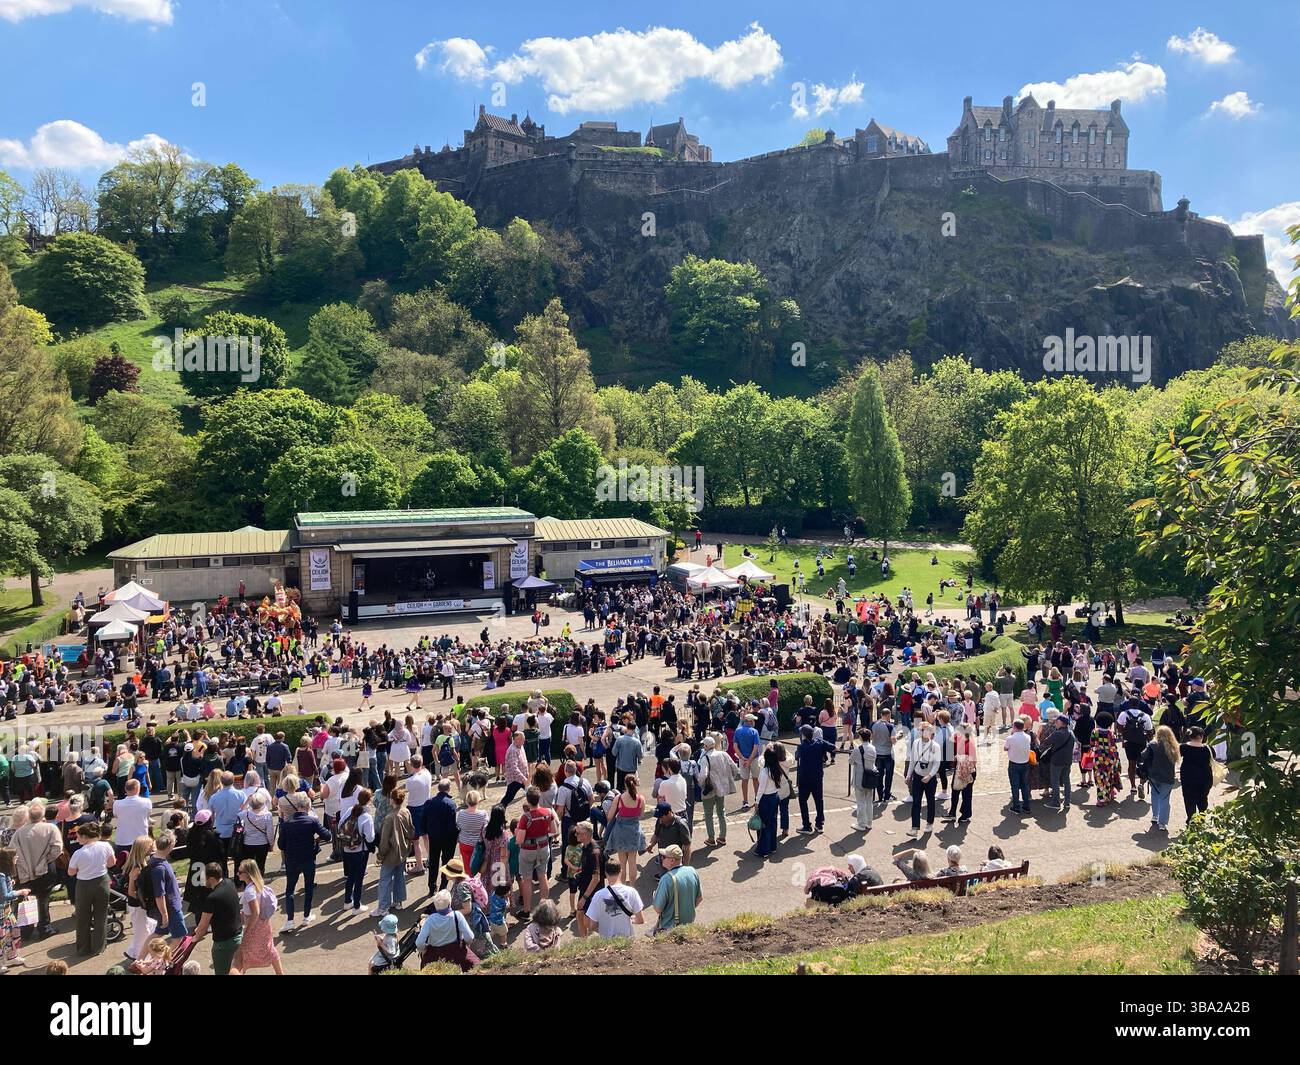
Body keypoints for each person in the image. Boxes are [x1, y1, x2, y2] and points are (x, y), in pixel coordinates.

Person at [277, 790, 331, 931]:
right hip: (308, 859)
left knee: (290, 890)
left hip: (292, 860)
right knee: (308, 888)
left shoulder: (287, 824)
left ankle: (290, 920)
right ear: (307, 807)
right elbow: (327, 836)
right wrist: (316, 839)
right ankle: (306, 916)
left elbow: (281, 845)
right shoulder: (312, 821)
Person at [13, 799, 62, 938]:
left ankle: (26, 930)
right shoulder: (50, 828)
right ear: (43, 815)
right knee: (43, 899)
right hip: (45, 870)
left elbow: (13, 852)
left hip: (25, 873)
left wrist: (23, 866)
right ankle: (44, 928)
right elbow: (57, 848)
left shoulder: (20, 832)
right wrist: (45, 860)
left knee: (26, 900)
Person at [67, 822, 115, 956]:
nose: (77, 839)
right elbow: (112, 863)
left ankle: (83, 949)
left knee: (82, 917)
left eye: (78, 837)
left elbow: (71, 873)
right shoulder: (106, 846)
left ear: (85, 837)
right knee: (101, 916)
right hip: (102, 882)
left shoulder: (78, 853)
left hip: (84, 885)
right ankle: (99, 947)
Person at [230, 859, 284, 975]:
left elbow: (255, 912)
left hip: (254, 927)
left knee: (239, 958)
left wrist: (247, 930)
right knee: (270, 949)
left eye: (240, 872)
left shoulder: (249, 891)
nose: (237, 874)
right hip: (264, 925)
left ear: (248, 874)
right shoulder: (259, 886)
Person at [514, 786, 559, 917]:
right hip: (544, 847)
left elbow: (519, 840)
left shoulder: (525, 817)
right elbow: (554, 831)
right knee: (543, 876)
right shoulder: (548, 812)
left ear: (528, 800)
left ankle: (527, 910)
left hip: (528, 850)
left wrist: (518, 833)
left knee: (527, 879)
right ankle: (544, 908)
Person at [192, 862, 243, 975]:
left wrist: (194, 938)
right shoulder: (229, 883)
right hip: (238, 937)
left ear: (210, 878)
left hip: (224, 944)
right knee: (236, 970)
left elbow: (203, 925)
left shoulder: (212, 898)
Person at [416, 889, 478, 971]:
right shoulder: (457, 915)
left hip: (435, 954)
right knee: (476, 965)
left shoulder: (430, 920)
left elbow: (419, 943)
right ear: (449, 903)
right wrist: (465, 945)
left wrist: (424, 951)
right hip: (457, 952)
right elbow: (470, 937)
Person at [375, 785, 413, 917]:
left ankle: (383, 907)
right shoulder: (406, 812)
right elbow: (411, 831)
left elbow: (384, 841)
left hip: (391, 853)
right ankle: (398, 901)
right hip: (403, 850)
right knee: (399, 876)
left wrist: (380, 855)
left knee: (385, 879)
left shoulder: (389, 818)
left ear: (392, 800)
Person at [337, 787, 376, 914]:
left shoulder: (349, 810)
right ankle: (357, 906)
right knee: (359, 879)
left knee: (350, 876)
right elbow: (370, 838)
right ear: (369, 801)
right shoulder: (366, 817)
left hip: (346, 849)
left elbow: (340, 826)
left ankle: (347, 901)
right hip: (360, 851)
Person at [144, 830, 188, 941]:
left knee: (157, 934)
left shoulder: (156, 860)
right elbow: (159, 894)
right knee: (179, 938)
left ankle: (140, 958)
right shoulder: (159, 868)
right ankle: (164, 958)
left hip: (168, 907)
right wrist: (164, 914)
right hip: (171, 908)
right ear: (170, 845)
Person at [584, 857, 644, 939]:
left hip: (606, 942)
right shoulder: (632, 892)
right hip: (627, 940)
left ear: (605, 873)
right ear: (621, 871)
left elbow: (592, 925)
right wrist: (629, 919)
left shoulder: (598, 895)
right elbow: (640, 920)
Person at [794, 724, 836, 833]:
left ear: (803, 735)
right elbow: (833, 747)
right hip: (817, 776)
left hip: (805, 778)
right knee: (819, 800)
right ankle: (819, 823)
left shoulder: (802, 747)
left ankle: (806, 825)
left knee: (803, 800)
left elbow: (796, 757)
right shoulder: (819, 743)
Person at [696, 735, 736, 847]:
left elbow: (703, 775)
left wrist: (700, 784)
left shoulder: (705, 758)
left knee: (708, 814)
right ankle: (722, 836)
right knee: (721, 812)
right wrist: (728, 779)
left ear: (706, 746)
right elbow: (735, 768)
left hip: (709, 789)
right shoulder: (723, 754)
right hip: (721, 788)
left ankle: (711, 838)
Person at [604, 775, 645, 884]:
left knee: (622, 864)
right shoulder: (641, 799)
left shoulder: (619, 798)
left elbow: (610, 816)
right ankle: (632, 887)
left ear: (625, 785)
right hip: (634, 832)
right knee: (632, 862)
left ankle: (621, 886)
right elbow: (641, 815)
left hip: (620, 832)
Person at [651, 844, 701, 933]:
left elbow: (658, 909)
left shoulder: (666, 879)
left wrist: (655, 896)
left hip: (670, 929)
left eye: (663, 857)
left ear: (672, 860)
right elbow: (699, 898)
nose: (661, 859)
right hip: (689, 926)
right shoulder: (692, 871)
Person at [1141, 724, 1180, 833]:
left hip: (1154, 775)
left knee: (1154, 794)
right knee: (1164, 799)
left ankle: (1155, 815)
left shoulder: (1153, 744)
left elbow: (1143, 755)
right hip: (1168, 777)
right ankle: (1162, 823)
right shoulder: (1174, 746)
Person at [906, 722, 943, 837]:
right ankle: (914, 827)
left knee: (930, 801)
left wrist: (930, 775)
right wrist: (908, 775)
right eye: (921, 730)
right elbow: (912, 760)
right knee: (916, 801)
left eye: (924, 730)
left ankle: (929, 822)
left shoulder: (935, 746)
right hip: (917, 776)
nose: (921, 732)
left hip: (929, 778)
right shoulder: (916, 743)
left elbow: (937, 763)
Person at [1039, 712, 1076, 813]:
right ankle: (1067, 802)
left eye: (1057, 721)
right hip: (1067, 761)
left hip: (1056, 761)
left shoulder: (1057, 733)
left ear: (1061, 722)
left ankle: (1056, 802)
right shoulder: (1071, 733)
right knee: (1066, 781)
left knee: (1055, 781)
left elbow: (1046, 742)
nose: (1055, 723)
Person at [0, 848, 29, 974]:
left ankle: (12, 956)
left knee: (14, 931)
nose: (16, 859)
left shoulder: (4, 875)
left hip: (7, 911)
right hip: (2, 913)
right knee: (2, 937)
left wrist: (10, 883)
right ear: (8, 860)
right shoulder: (1, 876)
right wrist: (20, 892)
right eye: (15, 857)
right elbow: (4, 895)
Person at [1178, 726, 1214, 825]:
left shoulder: (1183, 747)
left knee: (1189, 798)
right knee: (1203, 797)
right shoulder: (1208, 748)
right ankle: (1202, 817)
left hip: (1188, 776)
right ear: (1202, 736)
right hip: (1205, 777)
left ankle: (1191, 818)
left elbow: (1176, 756)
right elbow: (1213, 757)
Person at [849, 728, 877, 831]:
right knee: (869, 801)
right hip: (870, 776)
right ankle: (869, 823)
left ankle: (861, 824)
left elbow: (850, 761)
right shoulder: (873, 748)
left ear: (860, 737)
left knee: (860, 802)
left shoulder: (858, 749)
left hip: (860, 778)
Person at [1004, 718, 1033, 815]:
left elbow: (1005, 748)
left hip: (1014, 764)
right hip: (1025, 763)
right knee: (1024, 785)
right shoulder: (1027, 737)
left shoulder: (1010, 738)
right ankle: (1026, 806)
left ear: (1014, 727)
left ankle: (1016, 806)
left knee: (1015, 786)